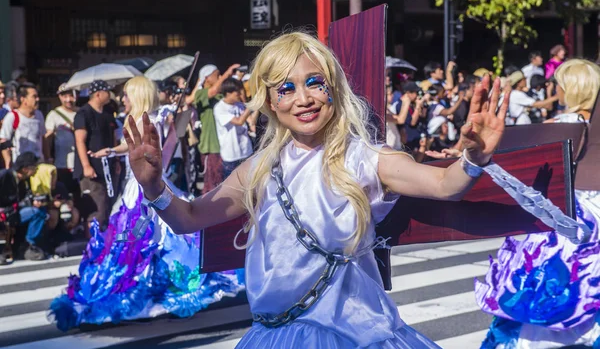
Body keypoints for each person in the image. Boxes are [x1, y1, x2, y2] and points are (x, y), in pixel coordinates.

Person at [123, 31, 532, 348]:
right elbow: (188, 218)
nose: (303, 99)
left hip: (357, 333)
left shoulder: (365, 159)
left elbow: (444, 185)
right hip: (275, 335)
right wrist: (154, 187)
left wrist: (473, 158)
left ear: (333, 87)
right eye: (286, 88)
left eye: (314, 83)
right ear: (269, 101)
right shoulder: (260, 168)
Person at [49, 76, 244, 331]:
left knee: (139, 242)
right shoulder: (158, 118)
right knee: (157, 240)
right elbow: (166, 146)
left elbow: (146, 151)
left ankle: (142, 290)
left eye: (127, 94)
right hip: (157, 184)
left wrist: (113, 151)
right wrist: (111, 151)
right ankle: (159, 285)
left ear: (138, 96)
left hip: (142, 188)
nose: (123, 99)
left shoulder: (146, 120)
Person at [477, 59, 600, 349]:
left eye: (558, 84)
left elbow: (518, 178)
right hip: (595, 220)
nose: (554, 89)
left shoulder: (556, 127)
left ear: (571, 88)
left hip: (562, 222)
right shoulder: (595, 132)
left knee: (541, 303)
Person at [186, 63, 240, 194]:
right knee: (212, 184)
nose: (220, 77)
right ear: (207, 78)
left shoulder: (221, 95)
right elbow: (212, 91)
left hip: (226, 146)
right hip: (211, 146)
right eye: (217, 75)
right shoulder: (200, 94)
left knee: (226, 183)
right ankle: (208, 212)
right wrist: (228, 72)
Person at [73, 80, 117, 234]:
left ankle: (105, 237)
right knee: (96, 208)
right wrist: (86, 165)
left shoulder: (108, 113)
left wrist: (116, 159)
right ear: (98, 94)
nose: (110, 95)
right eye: (107, 91)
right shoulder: (84, 113)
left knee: (108, 205)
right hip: (92, 168)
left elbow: (113, 138)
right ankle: (93, 242)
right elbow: (80, 140)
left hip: (108, 167)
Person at [0, 152, 56, 264]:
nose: (35, 171)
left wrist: (32, 202)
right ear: (25, 169)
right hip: (3, 213)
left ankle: (26, 246)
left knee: (38, 212)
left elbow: (20, 201)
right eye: (34, 167)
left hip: (13, 214)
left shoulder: (24, 182)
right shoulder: (5, 175)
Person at [0, 83, 47, 168]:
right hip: (20, 168)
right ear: (23, 99)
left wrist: (48, 158)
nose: (37, 99)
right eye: (34, 96)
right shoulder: (12, 117)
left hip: (39, 165)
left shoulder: (39, 115)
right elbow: (3, 141)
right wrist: (8, 162)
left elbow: (43, 138)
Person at [213, 78, 253, 179]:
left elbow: (251, 121)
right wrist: (252, 106)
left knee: (249, 184)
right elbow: (239, 121)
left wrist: (256, 106)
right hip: (231, 155)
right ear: (228, 93)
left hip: (246, 151)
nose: (240, 95)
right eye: (237, 93)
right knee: (232, 188)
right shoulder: (219, 108)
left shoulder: (239, 105)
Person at [45, 84, 78, 201]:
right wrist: (48, 157)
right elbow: (47, 138)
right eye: (65, 96)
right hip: (61, 163)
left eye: (71, 96)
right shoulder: (54, 115)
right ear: (60, 97)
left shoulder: (80, 113)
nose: (68, 100)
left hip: (78, 164)